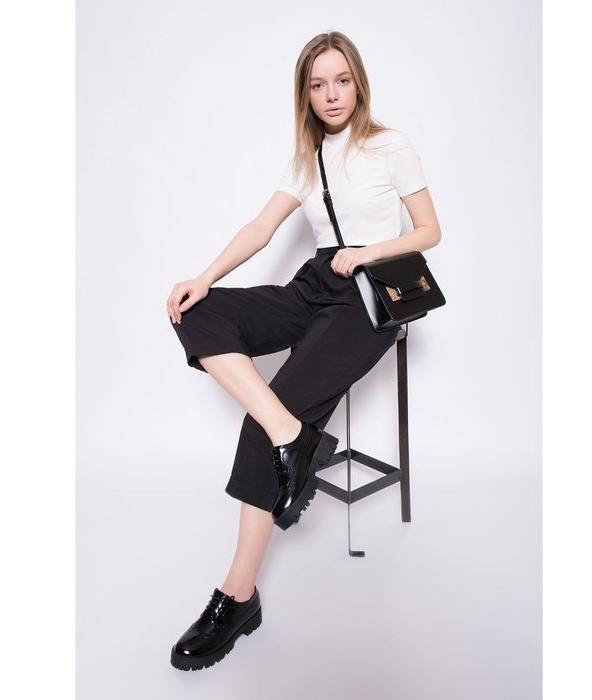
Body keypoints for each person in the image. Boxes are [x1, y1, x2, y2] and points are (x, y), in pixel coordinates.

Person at [166, 31, 442, 672]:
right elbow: (262, 227)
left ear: (359, 83)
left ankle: (238, 597)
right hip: (314, 285)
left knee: (259, 424)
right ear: (306, 94)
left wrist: (367, 253)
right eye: (318, 85)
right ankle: (295, 436)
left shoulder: (390, 146)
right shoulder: (309, 155)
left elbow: (430, 230)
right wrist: (204, 276)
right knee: (198, 312)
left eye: (341, 81)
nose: (331, 94)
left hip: (368, 296)